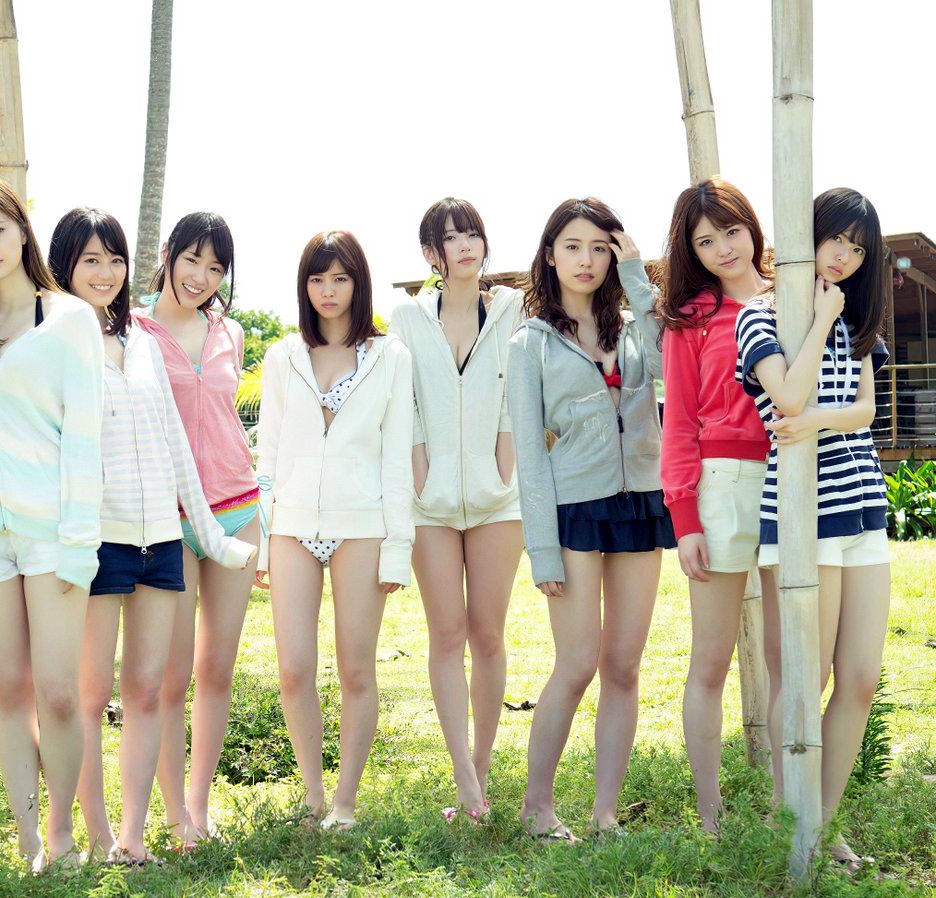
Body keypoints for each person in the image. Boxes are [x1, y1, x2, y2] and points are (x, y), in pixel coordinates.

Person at [47, 207, 255, 866]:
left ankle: (146, 832)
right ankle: (104, 832)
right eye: (91, 260)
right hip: (109, 535)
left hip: (178, 526)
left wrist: (218, 534)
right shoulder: (65, 339)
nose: (105, 272)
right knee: (104, 691)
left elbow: (181, 439)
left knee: (156, 686)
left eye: (114, 260)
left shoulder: (147, 339)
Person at [0, 177, 103, 871]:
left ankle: (63, 835)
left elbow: (85, 437)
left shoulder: (69, 318)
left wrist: (80, 542)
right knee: (9, 691)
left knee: (59, 692)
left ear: (21, 230)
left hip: (53, 533)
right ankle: (29, 841)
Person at [735, 187, 890, 870]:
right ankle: (791, 816)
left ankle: (823, 826)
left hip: (863, 505)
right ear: (808, 234)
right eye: (837, 239)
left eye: (857, 248)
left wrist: (818, 421)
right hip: (803, 511)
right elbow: (787, 396)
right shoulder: (759, 314)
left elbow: (863, 412)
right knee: (808, 675)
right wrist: (821, 318)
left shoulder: (859, 321)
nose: (844, 256)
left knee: (860, 678)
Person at [508, 198, 672, 842]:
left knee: (623, 667)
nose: (586, 260)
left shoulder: (634, 328)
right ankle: (537, 809)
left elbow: (670, 371)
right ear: (550, 255)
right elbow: (529, 454)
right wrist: (542, 551)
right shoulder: (530, 343)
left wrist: (638, 279)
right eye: (573, 247)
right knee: (577, 663)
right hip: (573, 509)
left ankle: (605, 815)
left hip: (640, 502)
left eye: (599, 248)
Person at [255, 231, 413, 829]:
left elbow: (396, 459)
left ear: (358, 283)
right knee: (293, 669)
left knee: (356, 669)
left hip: (362, 526)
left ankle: (345, 803)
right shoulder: (283, 356)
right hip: (291, 526)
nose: (328, 290)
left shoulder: (389, 357)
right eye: (317, 279)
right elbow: (268, 455)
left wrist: (397, 549)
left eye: (340, 278)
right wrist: (265, 542)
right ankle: (314, 796)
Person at [389, 198, 524, 822]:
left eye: (473, 233)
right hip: (431, 504)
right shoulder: (407, 317)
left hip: (500, 500)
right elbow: (405, 398)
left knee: (487, 633)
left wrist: (504, 457)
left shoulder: (512, 310)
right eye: (451, 237)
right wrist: (420, 463)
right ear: (430, 254)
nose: (466, 245)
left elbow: (517, 389)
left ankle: (483, 764)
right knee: (446, 634)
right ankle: (464, 781)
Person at [658, 178, 782, 833]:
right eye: (705, 241)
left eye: (731, 231)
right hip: (721, 484)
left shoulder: (793, 298)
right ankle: (710, 820)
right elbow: (678, 422)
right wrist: (685, 520)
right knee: (710, 660)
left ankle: (797, 812)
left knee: (794, 660)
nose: (723, 248)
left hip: (792, 478)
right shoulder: (690, 319)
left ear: (752, 228)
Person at [137, 212, 261, 846]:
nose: (201, 277)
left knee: (218, 669)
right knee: (172, 674)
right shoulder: (132, 331)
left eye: (215, 268)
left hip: (238, 507)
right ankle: (172, 815)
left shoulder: (229, 332)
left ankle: (200, 806)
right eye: (192, 260)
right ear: (168, 254)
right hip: (171, 516)